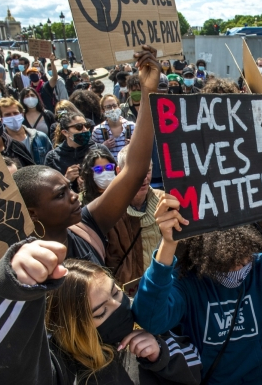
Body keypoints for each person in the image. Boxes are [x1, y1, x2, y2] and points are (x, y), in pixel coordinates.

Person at [132, 174, 262, 384]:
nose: (238, 269)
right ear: (204, 253)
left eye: (245, 258)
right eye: (225, 264)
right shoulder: (188, 282)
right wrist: (168, 244)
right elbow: (150, 318)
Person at [10, 44, 160, 267]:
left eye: (68, 188)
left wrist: (148, 93)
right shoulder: (21, 267)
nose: (73, 196)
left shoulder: (87, 223)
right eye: (60, 194)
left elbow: (135, 171)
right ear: (33, 214)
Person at [0, 242, 202, 384]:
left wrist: (160, 356)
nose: (120, 307)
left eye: (116, 293)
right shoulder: (60, 369)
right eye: (101, 313)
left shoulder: (145, 332)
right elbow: (1, 373)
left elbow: (195, 367)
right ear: (73, 327)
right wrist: (13, 286)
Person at [106, 146, 164, 283]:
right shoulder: (109, 210)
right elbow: (111, 260)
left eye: (147, 171)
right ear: (119, 171)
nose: (143, 178)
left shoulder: (165, 201)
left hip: (165, 284)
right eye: (136, 172)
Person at [45, 112, 105, 193]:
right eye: (79, 127)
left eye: (87, 125)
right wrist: (66, 180)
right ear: (65, 132)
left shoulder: (99, 149)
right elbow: (48, 189)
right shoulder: (53, 157)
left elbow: (114, 175)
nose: (85, 130)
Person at [0, 96, 53, 165]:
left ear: (22, 115)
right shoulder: (2, 144)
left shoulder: (40, 137)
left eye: (15, 113)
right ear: (1, 119)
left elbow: (52, 161)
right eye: (8, 115)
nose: (13, 117)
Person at [92, 94, 134, 161]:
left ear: (119, 107)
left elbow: (143, 148)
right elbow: (92, 153)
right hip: (109, 168)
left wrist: (134, 145)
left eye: (114, 106)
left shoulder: (132, 126)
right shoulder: (97, 130)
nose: (112, 109)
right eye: (108, 107)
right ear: (103, 110)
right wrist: (103, 146)